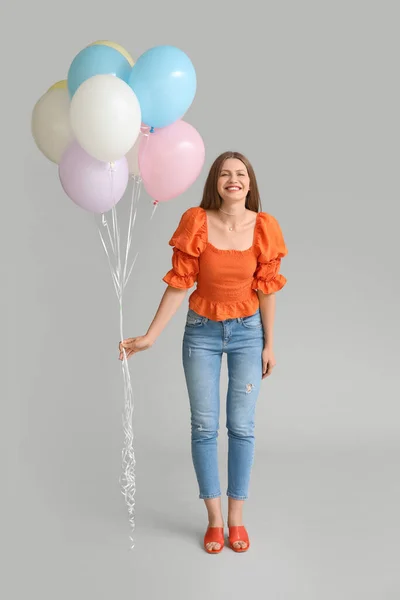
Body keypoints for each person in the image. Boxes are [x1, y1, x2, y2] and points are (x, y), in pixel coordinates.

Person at [119, 151, 288, 554]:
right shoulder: (196, 222)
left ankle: (237, 520)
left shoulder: (265, 227)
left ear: (250, 183)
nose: (233, 179)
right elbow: (179, 284)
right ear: (215, 182)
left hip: (248, 333)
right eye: (225, 174)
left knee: (242, 427)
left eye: (240, 174)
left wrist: (269, 342)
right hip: (202, 333)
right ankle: (214, 521)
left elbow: (267, 288)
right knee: (204, 427)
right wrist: (150, 336)